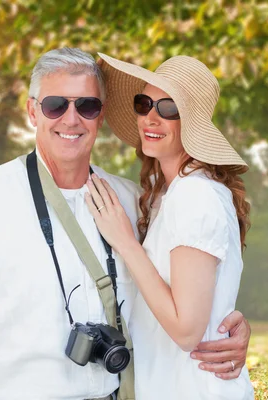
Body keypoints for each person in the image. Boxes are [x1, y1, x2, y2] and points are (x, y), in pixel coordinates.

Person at [0, 48, 251, 400]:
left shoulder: (132, 202)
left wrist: (226, 325)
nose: (71, 119)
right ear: (32, 111)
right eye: (55, 105)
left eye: (87, 106)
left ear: (101, 115)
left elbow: (186, 287)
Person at [83, 53, 255, 399]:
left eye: (168, 108)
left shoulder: (196, 195)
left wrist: (126, 242)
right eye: (144, 103)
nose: (151, 117)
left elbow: (187, 330)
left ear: (191, 122)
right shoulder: (170, 193)